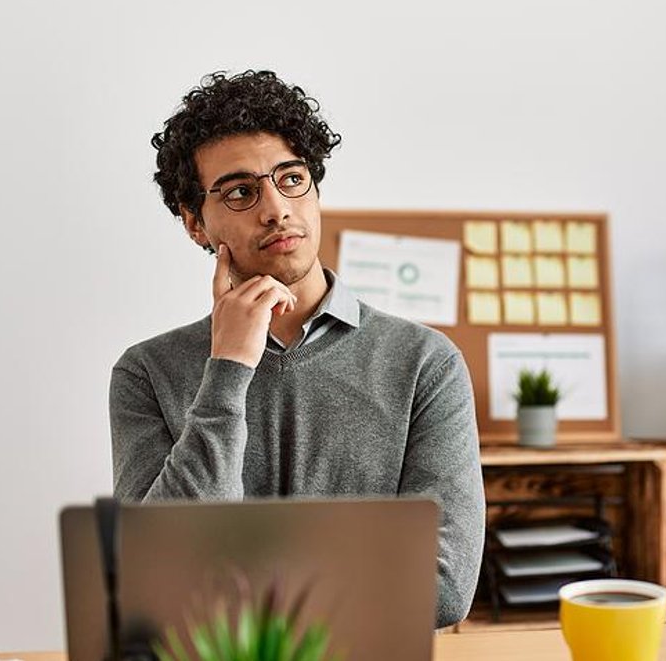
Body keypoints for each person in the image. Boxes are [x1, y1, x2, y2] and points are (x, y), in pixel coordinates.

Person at [109, 69, 485, 627]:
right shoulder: (146, 372)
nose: (276, 208)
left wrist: (232, 577)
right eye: (240, 191)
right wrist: (228, 369)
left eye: (291, 179)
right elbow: (161, 578)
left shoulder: (424, 363)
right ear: (195, 223)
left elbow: (442, 591)